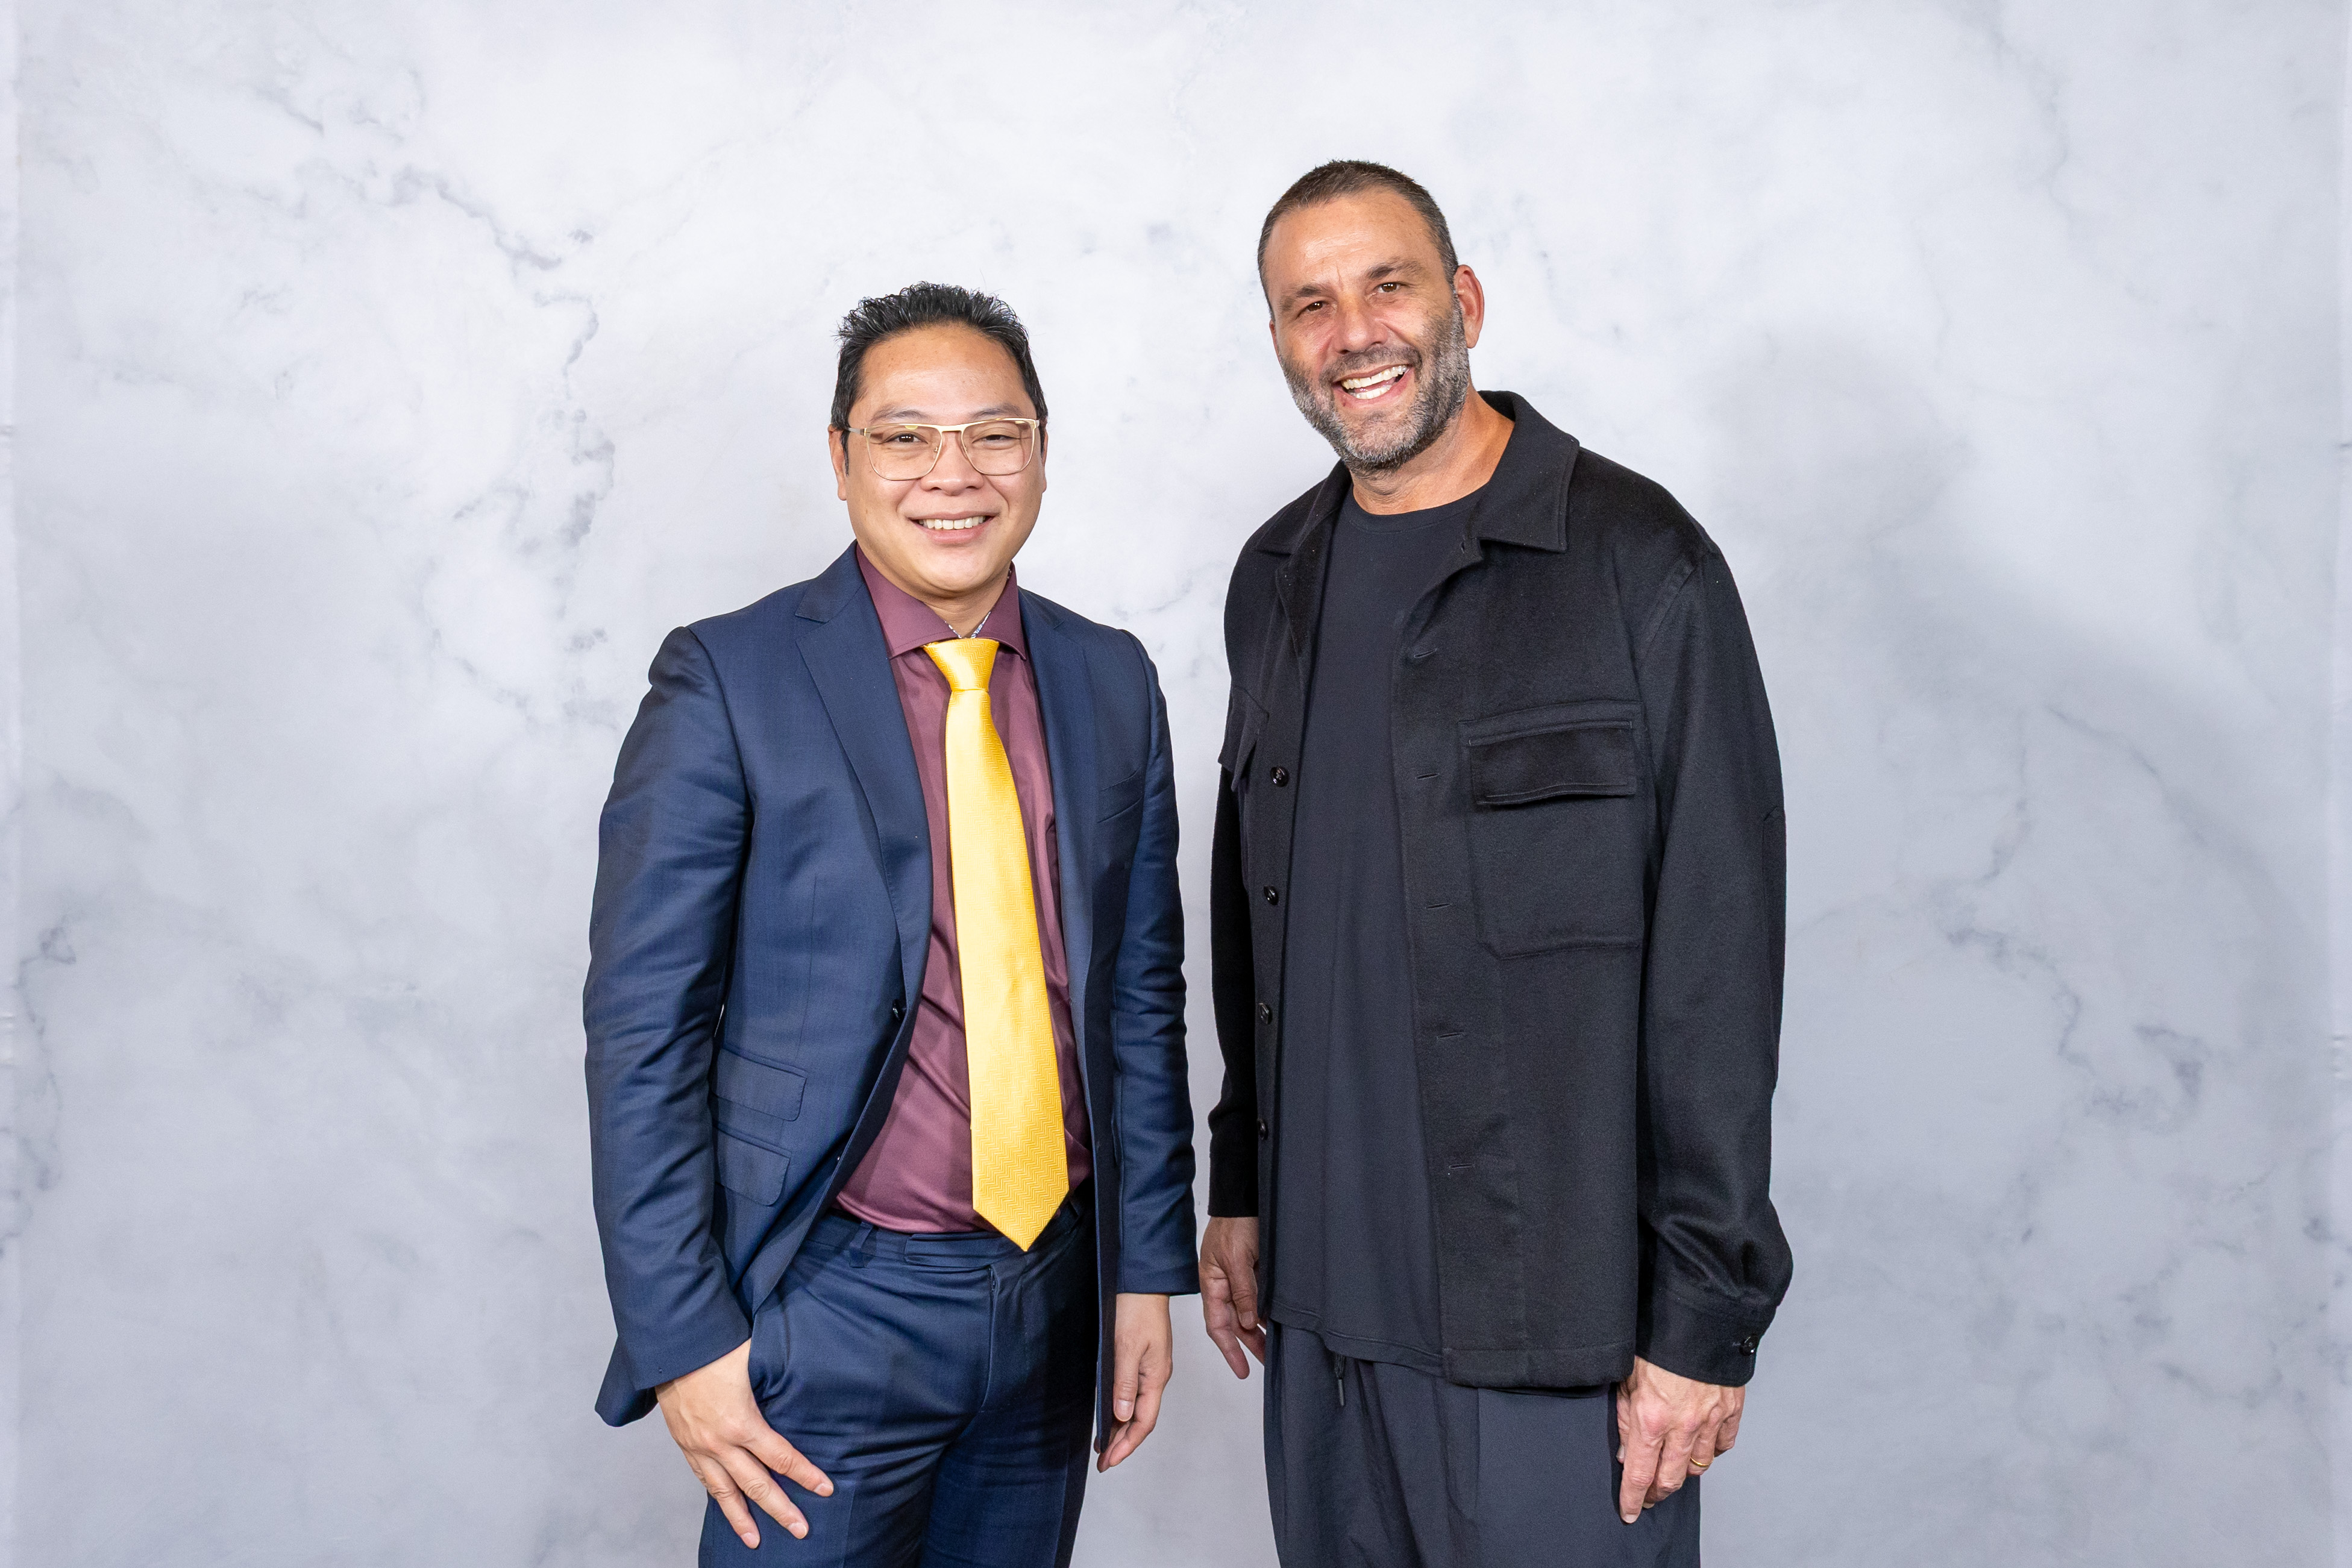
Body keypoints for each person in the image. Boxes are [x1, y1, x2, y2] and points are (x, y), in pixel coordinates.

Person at [1198, 161, 1793, 1565]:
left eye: (1386, 285)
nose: (1353, 332)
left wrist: (1701, 1319)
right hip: (1317, 1319)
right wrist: (1238, 1184)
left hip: (1552, 1332)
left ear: (1460, 301)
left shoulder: (1638, 565)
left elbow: (1716, 964)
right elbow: (1252, 910)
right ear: (1278, 339)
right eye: (1308, 304)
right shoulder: (1272, 577)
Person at [586, 282, 1197, 1566]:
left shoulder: (1110, 678)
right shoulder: (729, 678)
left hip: (1055, 1297)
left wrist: (1145, 1267)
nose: (952, 473)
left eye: (993, 433)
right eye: (905, 436)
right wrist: (682, 1336)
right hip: (827, 1302)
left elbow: (1138, 999)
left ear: (1040, 450)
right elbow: (644, 1030)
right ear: (840, 456)